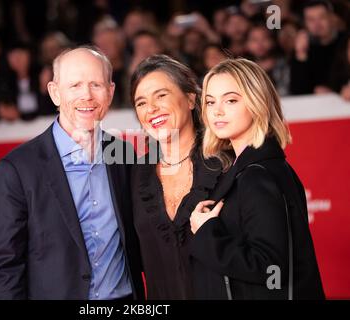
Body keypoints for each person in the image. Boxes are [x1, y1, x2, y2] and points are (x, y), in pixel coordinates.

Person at [0, 46, 144, 300]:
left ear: (110, 92)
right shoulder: (17, 170)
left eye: (96, 84)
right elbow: (6, 267)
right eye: (75, 86)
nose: (87, 95)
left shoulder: (124, 156)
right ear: (54, 93)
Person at [189, 58, 325, 300]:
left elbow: (271, 268)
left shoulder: (257, 176)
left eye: (231, 100)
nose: (216, 111)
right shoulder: (256, 168)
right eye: (210, 102)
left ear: (257, 102)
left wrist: (206, 232)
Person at [130, 55, 221, 299]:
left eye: (161, 95)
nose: (151, 109)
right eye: (141, 103)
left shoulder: (225, 163)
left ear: (191, 98)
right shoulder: (135, 175)